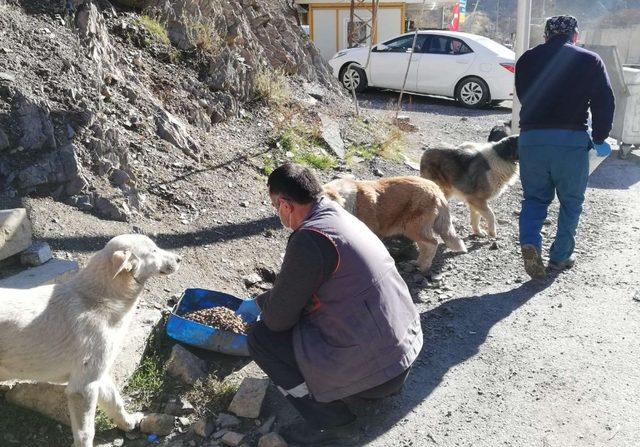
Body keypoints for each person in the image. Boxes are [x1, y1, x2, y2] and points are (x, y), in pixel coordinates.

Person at [247, 163, 423, 446]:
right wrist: (264, 300)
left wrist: (260, 309)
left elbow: (278, 320)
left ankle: (330, 421)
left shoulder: (310, 239)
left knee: (261, 338)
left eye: (274, 206)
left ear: (284, 204)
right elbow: (305, 287)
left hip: (380, 374)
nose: (277, 213)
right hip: (403, 352)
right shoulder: (339, 216)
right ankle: (356, 385)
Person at [515, 15, 615, 280]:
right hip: (570, 142)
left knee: (535, 199)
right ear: (575, 36)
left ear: (546, 36)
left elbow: (524, 96)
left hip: (532, 139)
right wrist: (601, 137)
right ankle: (560, 257)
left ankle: (530, 242)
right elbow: (604, 101)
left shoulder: (527, 59)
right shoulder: (589, 59)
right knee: (571, 202)